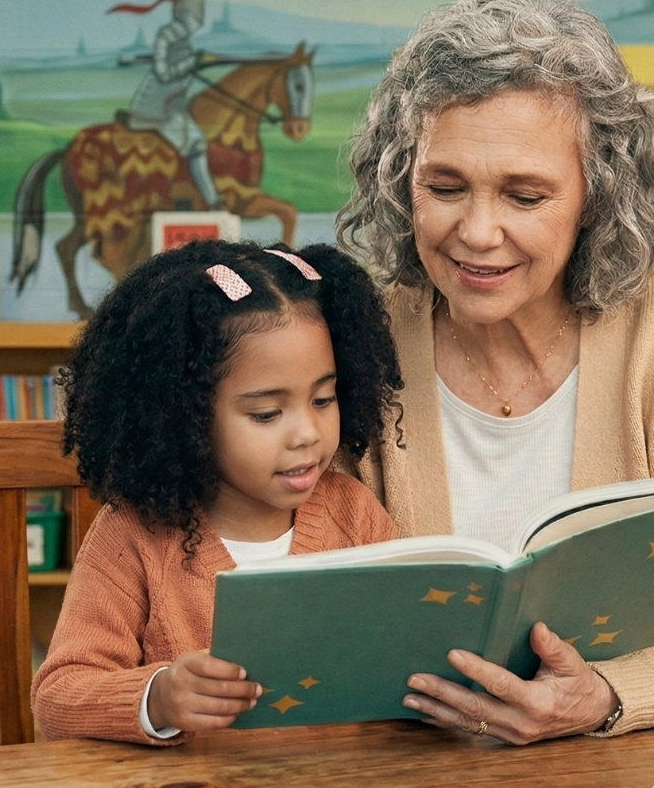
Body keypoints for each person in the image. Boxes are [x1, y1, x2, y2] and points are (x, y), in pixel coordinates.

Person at [335, 0, 654, 744]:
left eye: (526, 195)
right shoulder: (361, 337)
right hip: (405, 769)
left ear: (597, 198)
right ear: (398, 179)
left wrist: (604, 696)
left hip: (625, 761)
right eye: (443, 188)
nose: (478, 233)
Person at [32, 240, 402, 744]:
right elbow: (57, 697)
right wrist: (158, 697)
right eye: (266, 414)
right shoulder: (135, 535)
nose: (307, 434)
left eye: (323, 398)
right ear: (184, 416)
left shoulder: (353, 513)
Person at [112, 0, 225, 209]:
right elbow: (164, 74)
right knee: (197, 143)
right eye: (197, 11)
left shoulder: (181, 38)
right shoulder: (169, 33)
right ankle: (212, 201)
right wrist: (193, 62)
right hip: (157, 108)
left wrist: (198, 61)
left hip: (171, 105)